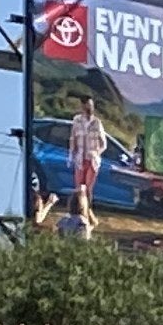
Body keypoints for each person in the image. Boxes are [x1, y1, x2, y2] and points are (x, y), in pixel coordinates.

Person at [67, 96, 105, 236]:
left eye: (91, 105)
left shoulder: (97, 122)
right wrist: (71, 155)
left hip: (92, 160)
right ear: (82, 106)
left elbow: (103, 143)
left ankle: (87, 214)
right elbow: (73, 139)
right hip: (80, 158)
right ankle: (77, 213)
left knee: (88, 189)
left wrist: (97, 154)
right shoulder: (76, 121)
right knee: (79, 188)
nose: (90, 108)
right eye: (87, 105)